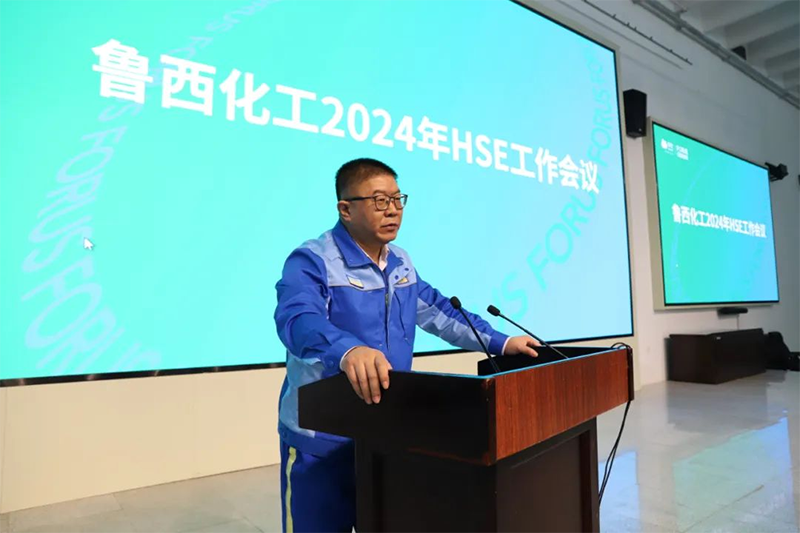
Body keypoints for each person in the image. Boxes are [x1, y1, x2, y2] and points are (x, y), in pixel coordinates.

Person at [274, 157, 541, 533]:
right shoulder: (312, 260)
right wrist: (348, 350)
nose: (393, 210)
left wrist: (503, 342)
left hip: (387, 432)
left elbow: (440, 311)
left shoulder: (400, 262)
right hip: (321, 438)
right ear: (346, 209)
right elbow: (297, 320)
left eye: (398, 199)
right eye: (379, 200)